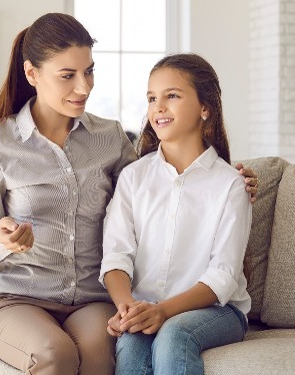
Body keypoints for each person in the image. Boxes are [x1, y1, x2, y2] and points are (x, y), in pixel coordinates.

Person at [0, 14, 258, 375]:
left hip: (91, 299)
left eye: (89, 71)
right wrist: (3, 238)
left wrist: (231, 179)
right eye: (68, 76)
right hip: (20, 296)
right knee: (55, 354)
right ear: (32, 75)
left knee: (102, 353)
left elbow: (162, 185)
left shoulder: (109, 138)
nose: (84, 87)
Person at [100, 53, 251, 375]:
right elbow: (116, 255)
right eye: (152, 98)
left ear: (205, 108)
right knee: (132, 341)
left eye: (172, 96)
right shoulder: (133, 178)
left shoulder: (229, 185)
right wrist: (128, 309)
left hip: (217, 311)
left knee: (173, 334)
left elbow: (222, 276)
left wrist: (163, 311)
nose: (158, 107)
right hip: (144, 306)